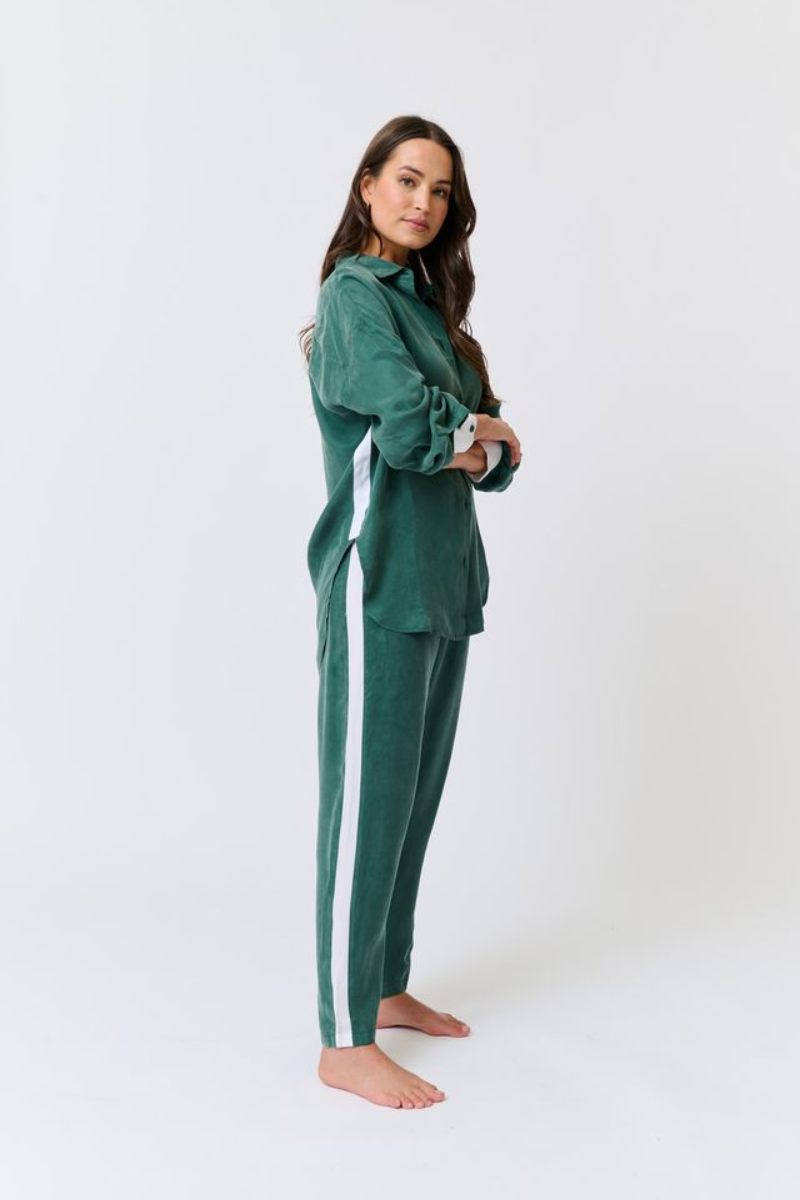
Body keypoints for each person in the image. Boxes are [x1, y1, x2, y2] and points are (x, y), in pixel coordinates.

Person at [299, 115, 522, 1109]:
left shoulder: (431, 312)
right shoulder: (353, 296)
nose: (422, 201)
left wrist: (479, 440)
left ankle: (384, 985)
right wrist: (474, 436)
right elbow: (405, 430)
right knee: (366, 810)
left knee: (412, 805)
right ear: (367, 186)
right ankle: (344, 1040)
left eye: (438, 190)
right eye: (405, 179)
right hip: (377, 578)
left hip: (445, 583)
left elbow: (500, 452)